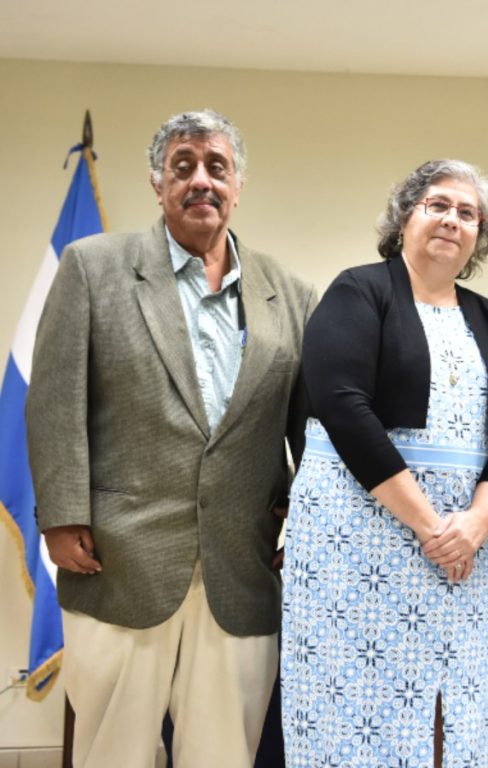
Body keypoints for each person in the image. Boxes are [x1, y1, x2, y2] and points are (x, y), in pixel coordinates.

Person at [25, 109, 317, 767]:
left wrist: (307, 519)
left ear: (238, 186)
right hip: (118, 559)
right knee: (113, 753)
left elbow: (315, 424)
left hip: (239, 569)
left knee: (221, 754)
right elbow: (53, 399)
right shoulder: (93, 267)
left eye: (217, 166)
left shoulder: (292, 296)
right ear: (158, 184)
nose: (201, 180)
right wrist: (62, 514)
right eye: (182, 166)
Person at [281, 159, 488, 767]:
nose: (452, 220)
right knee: (353, 717)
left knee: (455, 720)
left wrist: (474, 524)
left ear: (480, 238)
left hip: (463, 553)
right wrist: (430, 526)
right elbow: (343, 409)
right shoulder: (358, 290)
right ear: (403, 220)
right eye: (437, 205)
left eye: (467, 213)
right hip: (358, 547)